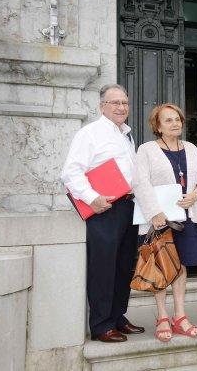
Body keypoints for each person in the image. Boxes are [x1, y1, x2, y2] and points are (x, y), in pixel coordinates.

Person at [61, 84, 144, 343]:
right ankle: (101, 325)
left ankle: (118, 316)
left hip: (129, 206)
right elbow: (70, 173)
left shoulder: (127, 135)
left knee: (124, 265)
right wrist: (92, 198)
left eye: (125, 103)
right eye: (115, 103)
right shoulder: (90, 133)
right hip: (104, 208)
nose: (121, 108)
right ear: (102, 106)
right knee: (103, 267)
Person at [132, 103, 197, 342]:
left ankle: (180, 316)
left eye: (177, 119)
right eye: (168, 120)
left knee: (181, 265)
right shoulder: (146, 150)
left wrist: (196, 193)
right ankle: (162, 316)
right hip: (159, 220)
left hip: (187, 217)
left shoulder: (192, 148)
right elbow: (139, 182)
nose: (175, 124)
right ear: (157, 126)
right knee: (161, 265)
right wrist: (154, 212)